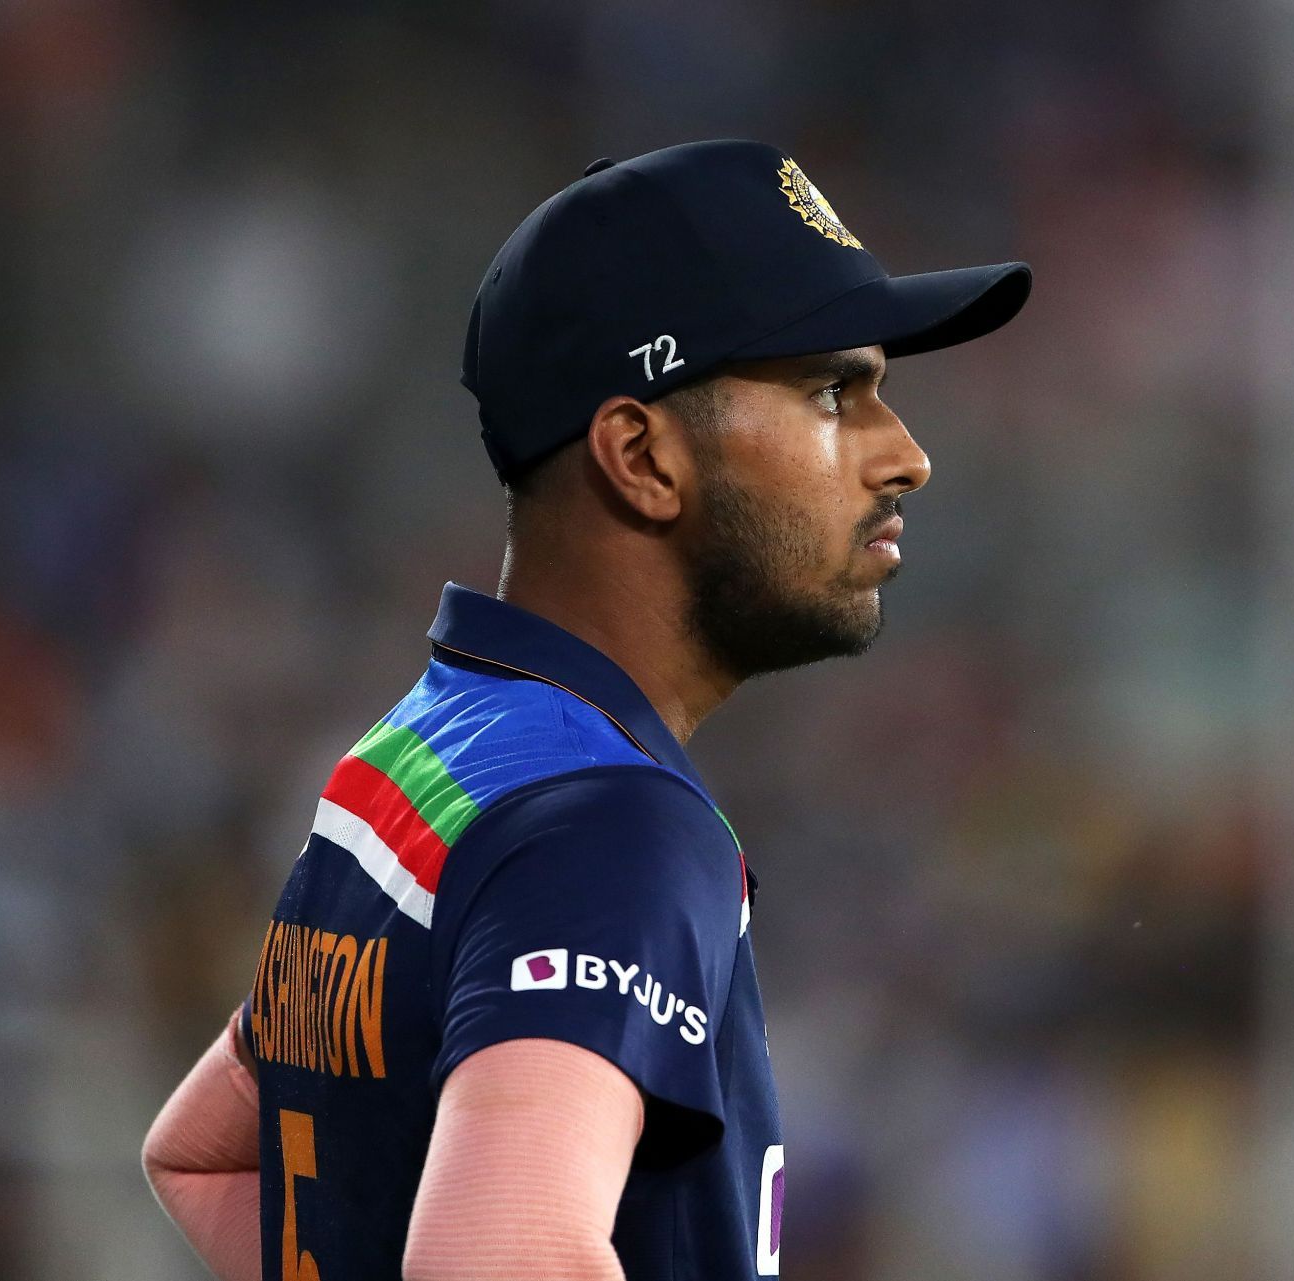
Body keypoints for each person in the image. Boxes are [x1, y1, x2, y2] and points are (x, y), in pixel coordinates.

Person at [141, 138, 1030, 1281]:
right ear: (641, 458)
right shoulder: (612, 827)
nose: (904, 456)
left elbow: (210, 1161)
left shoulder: (423, 754)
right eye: (830, 392)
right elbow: (497, 1258)